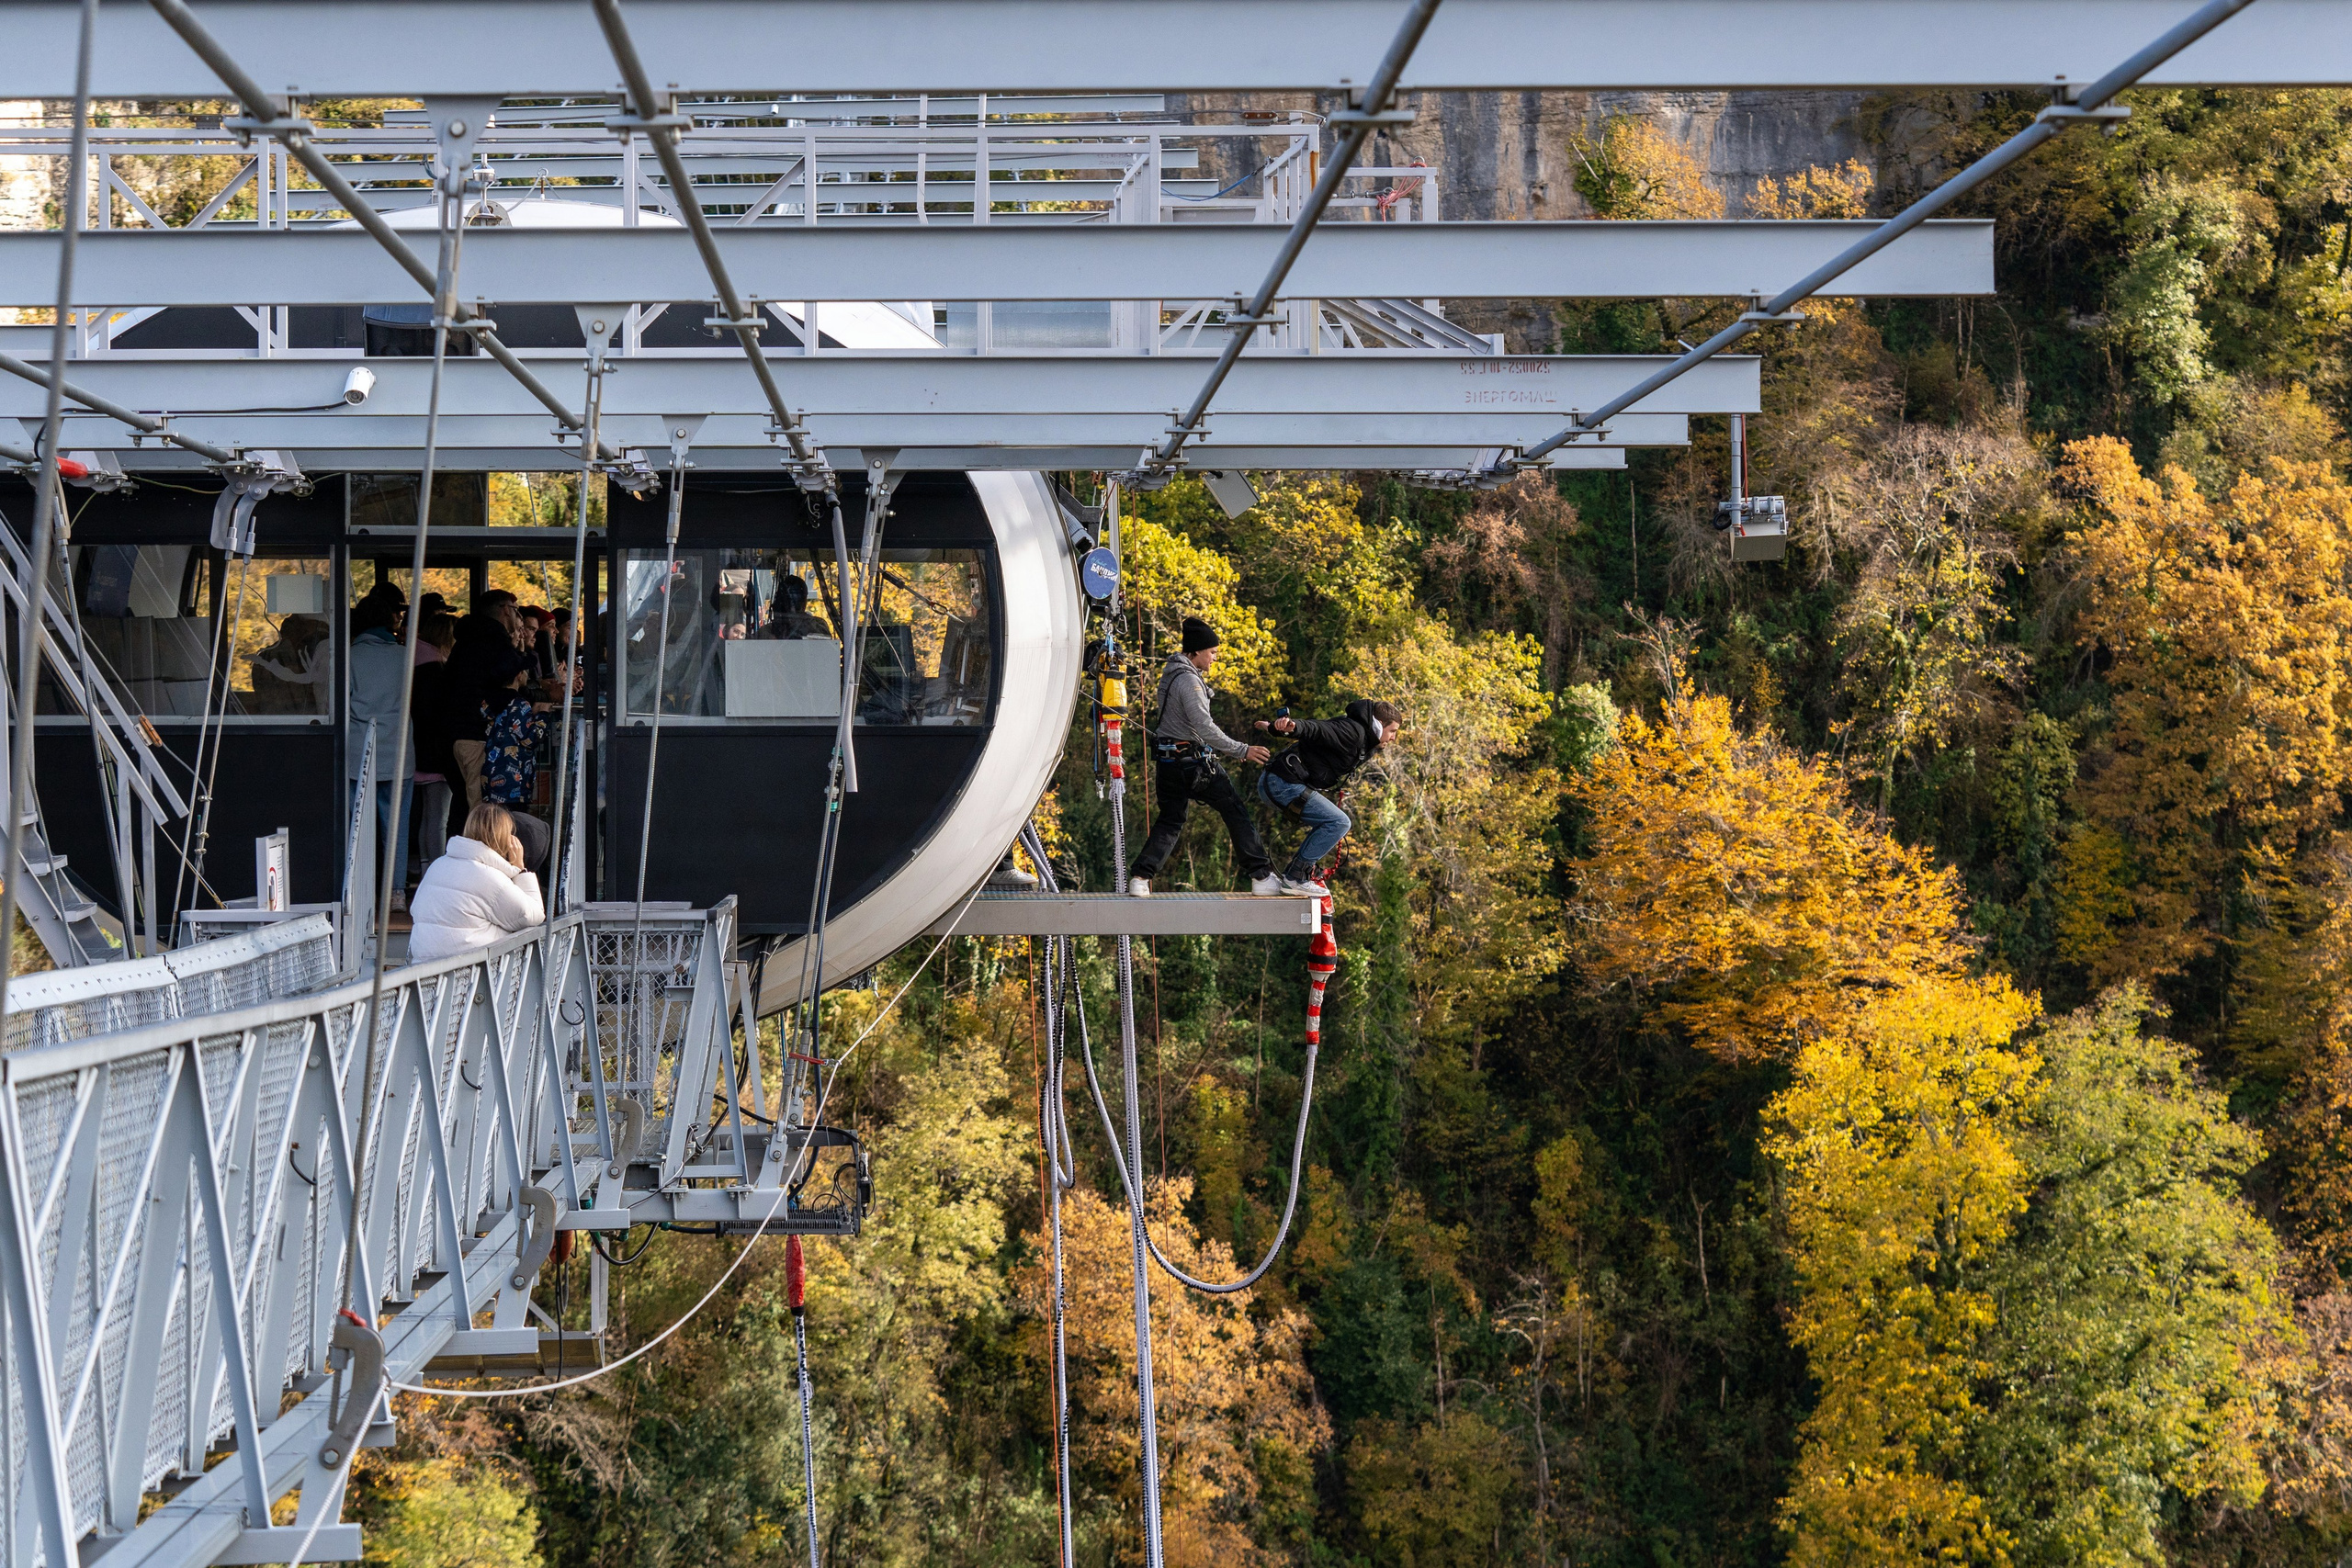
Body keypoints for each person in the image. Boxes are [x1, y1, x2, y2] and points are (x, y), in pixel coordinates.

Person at [1128, 617, 1314, 897]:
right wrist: (1242, 749)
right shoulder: (1189, 681)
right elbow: (1204, 726)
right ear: (1197, 651)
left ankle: (1140, 878)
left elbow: (1186, 726)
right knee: (1235, 811)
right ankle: (1262, 877)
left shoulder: (1171, 674)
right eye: (1212, 652)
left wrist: (1223, 748)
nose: (1215, 658)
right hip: (1193, 766)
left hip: (1168, 764)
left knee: (1170, 820)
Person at [1254, 698, 1406, 893]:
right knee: (1339, 822)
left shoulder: (1367, 740)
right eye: (1392, 731)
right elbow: (1317, 729)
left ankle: (1296, 875)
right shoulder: (1352, 731)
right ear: (1379, 724)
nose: (1394, 738)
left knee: (1332, 822)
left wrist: (1274, 728)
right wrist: (1292, 726)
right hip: (1281, 784)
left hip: (1281, 783)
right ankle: (1296, 878)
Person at [407, 802, 544, 962]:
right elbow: (532, 915)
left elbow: (415, 910)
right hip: (469, 971)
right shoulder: (491, 878)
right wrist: (520, 869)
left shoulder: (437, 865)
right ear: (505, 839)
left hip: (424, 969)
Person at [345, 583, 413, 910]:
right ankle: (396, 892)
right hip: (398, 750)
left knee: (355, 825)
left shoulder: (349, 656)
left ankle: (356, 890)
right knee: (396, 826)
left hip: (358, 749)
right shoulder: (404, 656)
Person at [408, 612, 461, 885]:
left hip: (418, 750)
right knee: (439, 818)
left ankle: (426, 867)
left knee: (426, 817)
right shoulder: (438, 671)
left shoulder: (414, 666)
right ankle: (438, 875)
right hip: (439, 755)